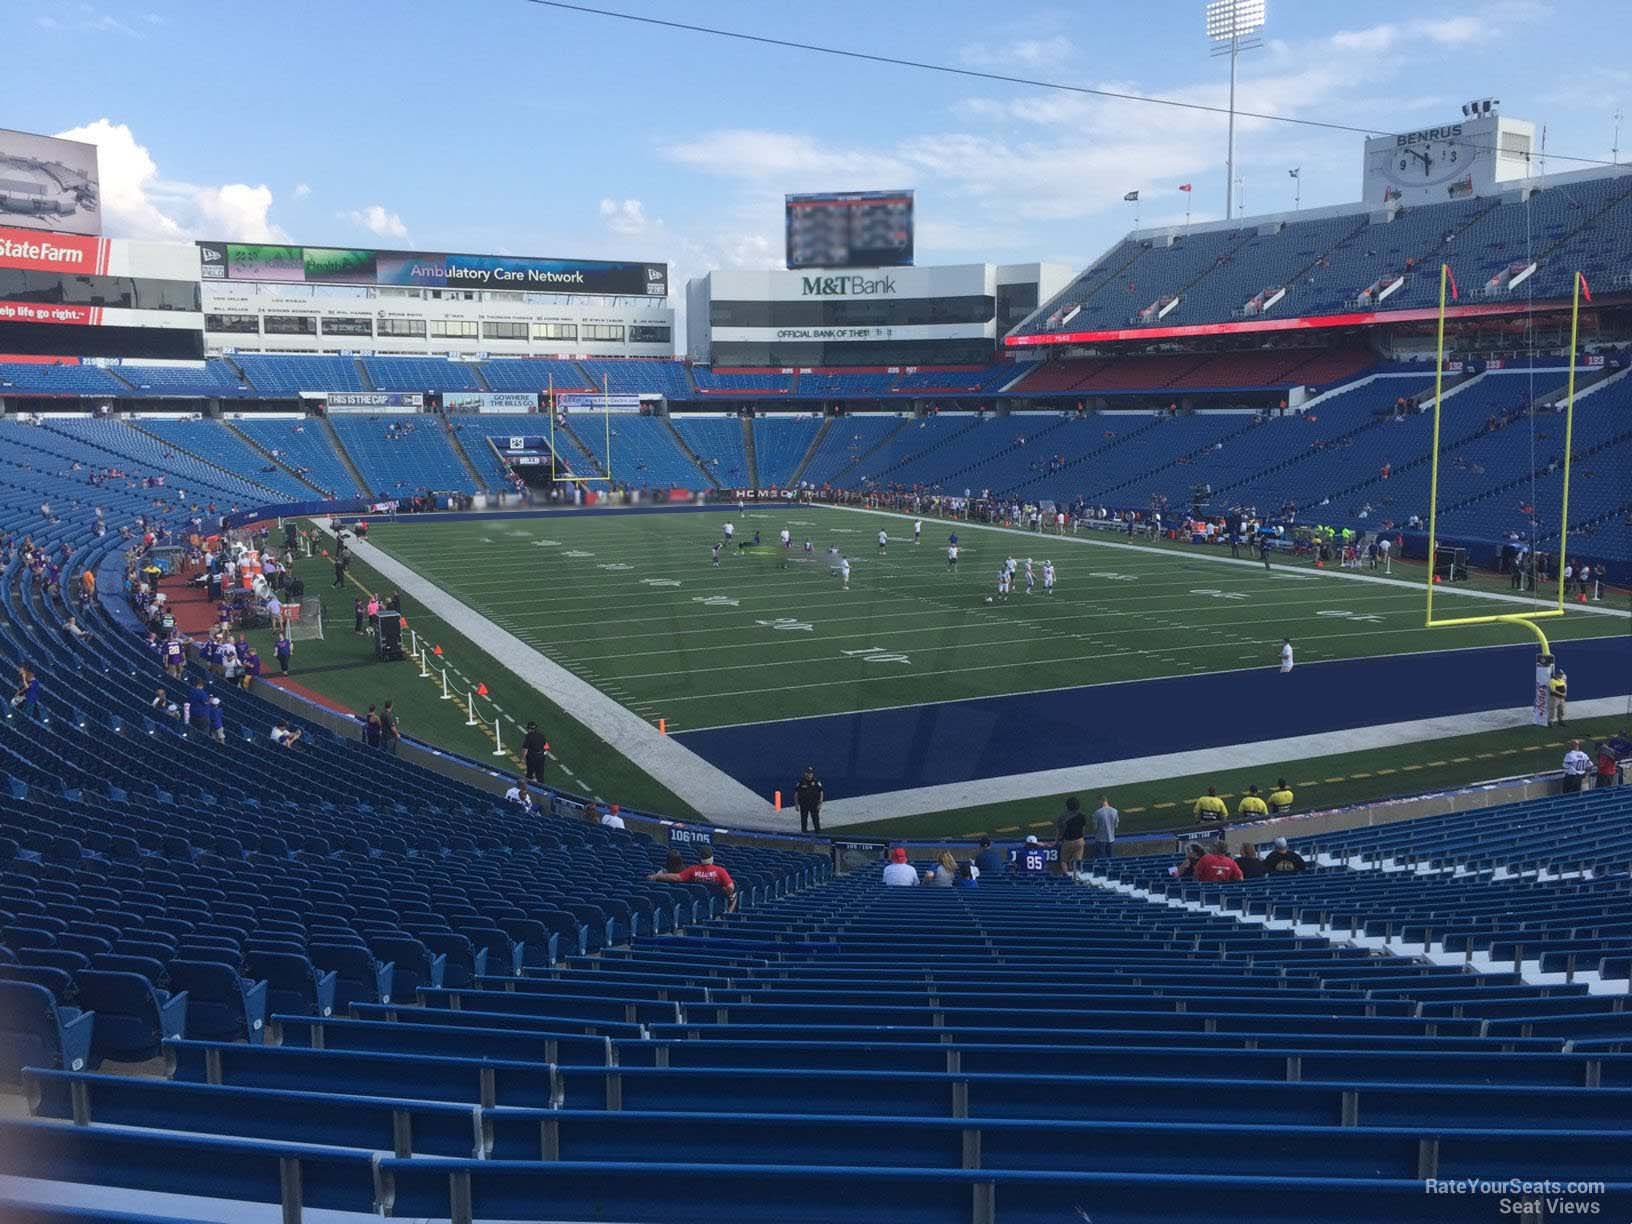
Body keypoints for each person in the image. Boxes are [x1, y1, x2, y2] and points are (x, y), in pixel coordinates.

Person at [650, 848, 738, 910]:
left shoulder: (692, 869)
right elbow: (731, 887)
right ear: (712, 858)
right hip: (716, 900)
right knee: (735, 896)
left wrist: (657, 876)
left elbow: (676, 877)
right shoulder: (720, 871)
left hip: (697, 900)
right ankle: (727, 916)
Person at [1055, 796, 1087, 876]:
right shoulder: (1082, 815)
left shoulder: (1063, 817)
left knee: (1063, 860)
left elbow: (1059, 830)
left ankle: (1067, 876)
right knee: (1077, 861)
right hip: (1079, 840)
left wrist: (1057, 840)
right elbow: (1083, 829)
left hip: (1068, 841)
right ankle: (1076, 876)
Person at [795, 766, 823, 834]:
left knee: (815, 818)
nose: (809, 774)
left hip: (814, 803)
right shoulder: (801, 782)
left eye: (810, 773)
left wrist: (820, 803)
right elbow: (796, 794)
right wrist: (796, 804)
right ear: (805, 773)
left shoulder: (816, 782)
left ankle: (818, 832)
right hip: (804, 804)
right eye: (808, 773)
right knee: (804, 819)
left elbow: (821, 792)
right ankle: (804, 832)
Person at [1091, 795, 1119, 861]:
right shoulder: (1115, 811)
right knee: (1110, 857)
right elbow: (1116, 825)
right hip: (1111, 838)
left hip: (1100, 838)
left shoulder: (1097, 813)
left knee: (1100, 857)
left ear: (1101, 801)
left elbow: (1095, 827)